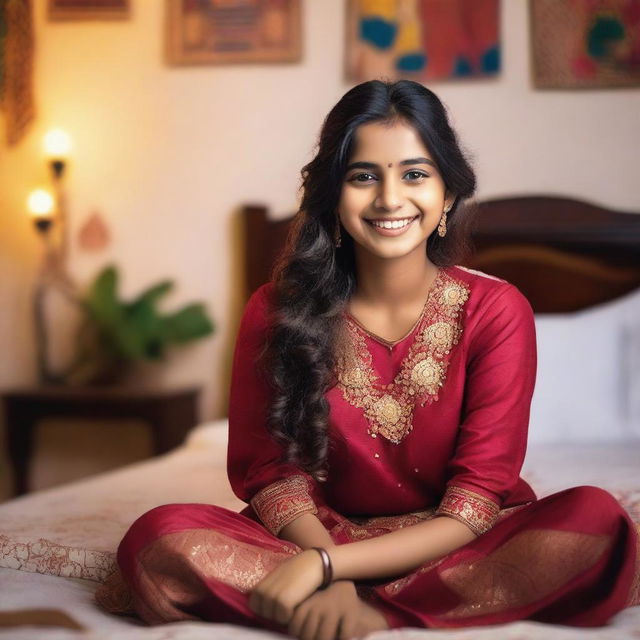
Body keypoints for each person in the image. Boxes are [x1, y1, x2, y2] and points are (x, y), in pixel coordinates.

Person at [99, 80, 639, 638]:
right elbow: (272, 474)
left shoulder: (496, 310)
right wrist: (323, 560)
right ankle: (382, 602)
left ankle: (370, 610)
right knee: (159, 535)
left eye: (414, 174)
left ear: (448, 194)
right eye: (363, 176)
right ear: (333, 194)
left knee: (595, 521)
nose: (388, 198)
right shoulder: (277, 310)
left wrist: (327, 571)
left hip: (455, 541)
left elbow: (477, 499)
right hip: (314, 534)